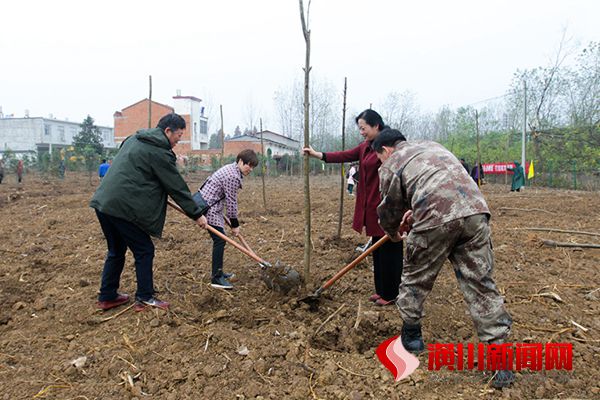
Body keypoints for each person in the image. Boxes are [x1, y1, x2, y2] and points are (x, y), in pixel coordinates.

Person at [373, 129, 514, 389]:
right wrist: (415, 212)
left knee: (416, 279)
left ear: (387, 150)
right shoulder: (432, 147)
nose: (382, 163)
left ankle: (412, 338)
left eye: (379, 158)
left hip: (436, 220)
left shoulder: (393, 163)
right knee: (481, 285)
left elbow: (390, 208)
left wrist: (392, 232)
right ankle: (500, 358)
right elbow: (444, 186)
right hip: (475, 213)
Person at [90, 113, 208, 312]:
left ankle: (107, 296)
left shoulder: (134, 139)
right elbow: (176, 187)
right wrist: (197, 214)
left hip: (103, 202)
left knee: (116, 250)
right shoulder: (159, 151)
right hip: (123, 207)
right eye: (177, 137)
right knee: (144, 249)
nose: (177, 142)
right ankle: (145, 297)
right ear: (167, 131)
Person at [303, 109, 403, 306]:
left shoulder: (391, 145)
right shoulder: (366, 146)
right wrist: (318, 155)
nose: (362, 132)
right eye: (360, 129)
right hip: (372, 206)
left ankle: (392, 294)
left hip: (389, 204)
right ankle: (381, 290)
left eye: (364, 128)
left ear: (376, 126)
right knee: (377, 250)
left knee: (391, 250)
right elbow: (344, 155)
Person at [199, 149, 258, 289]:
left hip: (212, 204)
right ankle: (216, 278)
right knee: (220, 240)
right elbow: (231, 202)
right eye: (248, 165)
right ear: (240, 161)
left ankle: (219, 273)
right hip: (209, 207)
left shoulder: (231, 169)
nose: (250, 169)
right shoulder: (233, 176)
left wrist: (231, 223)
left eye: (252, 166)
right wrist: (235, 224)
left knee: (220, 239)